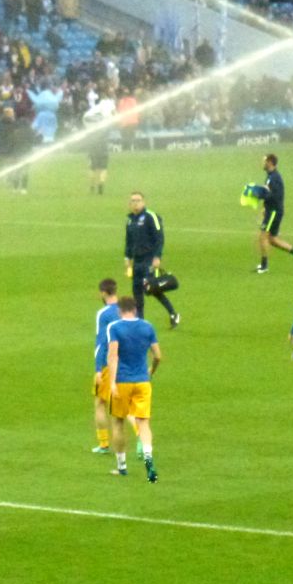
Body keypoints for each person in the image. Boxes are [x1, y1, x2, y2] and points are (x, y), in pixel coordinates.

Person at [106, 296, 162, 482]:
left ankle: (121, 466)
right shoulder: (148, 327)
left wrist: (112, 382)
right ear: (135, 310)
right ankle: (148, 459)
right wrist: (151, 371)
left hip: (123, 381)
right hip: (143, 382)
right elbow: (158, 356)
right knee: (144, 422)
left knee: (118, 422)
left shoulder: (115, 328)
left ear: (120, 311)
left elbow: (113, 356)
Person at [123, 191, 179, 328]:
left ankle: (173, 313)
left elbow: (159, 238)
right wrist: (127, 258)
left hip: (148, 260)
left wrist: (157, 256)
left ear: (144, 202)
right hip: (137, 262)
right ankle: (140, 322)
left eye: (138, 200)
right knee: (137, 291)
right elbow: (129, 241)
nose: (135, 203)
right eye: (133, 201)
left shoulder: (150, 217)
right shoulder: (130, 220)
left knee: (150, 288)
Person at [256, 153, 293, 274]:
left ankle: (264, 266)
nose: (262, 163)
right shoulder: (270, 176)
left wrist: (259, 194)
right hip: (272, 211)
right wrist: (265, 206)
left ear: (270, 162)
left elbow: (274, 195)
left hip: (273, 212)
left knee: (263, 236)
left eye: (264, 161)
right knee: (272, 239)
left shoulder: (274, 178)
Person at [91, 278, 119, 454]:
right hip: (128, 361)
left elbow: (101, 342)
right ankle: (142, 437)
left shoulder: (103, 314)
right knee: (129, 404)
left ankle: (103, 444)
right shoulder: (128, 309)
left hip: (108, 363)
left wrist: (97, 369)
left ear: (103, 293)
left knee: (100, 402)